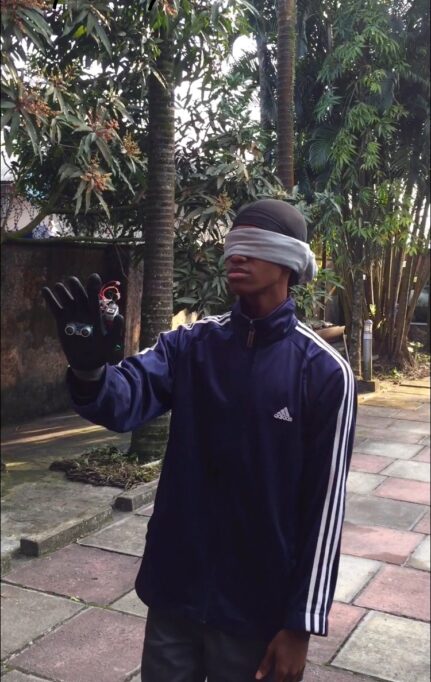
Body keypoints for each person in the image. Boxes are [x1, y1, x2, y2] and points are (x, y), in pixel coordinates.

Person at [42, 199, 356, 682]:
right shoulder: (190, 346)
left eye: (253, 246)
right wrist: (89, 371)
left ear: (290, 262)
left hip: (257, 606)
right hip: (175, 590)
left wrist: (301, 624)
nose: (237, 255)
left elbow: (325, 506)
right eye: (233, 246)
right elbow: (124, 399)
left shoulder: (322, 372)